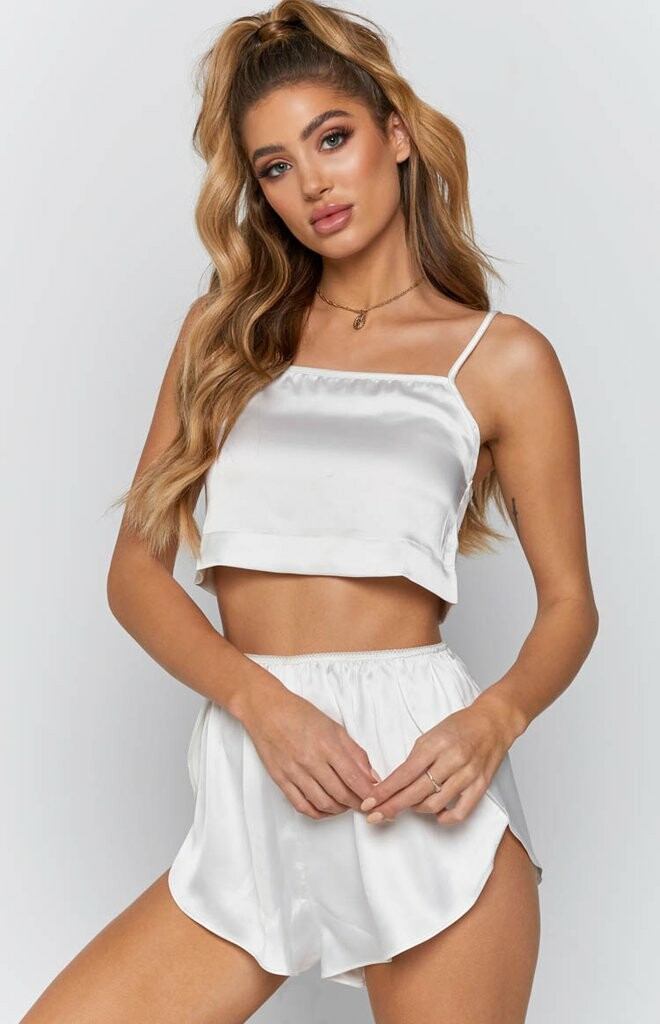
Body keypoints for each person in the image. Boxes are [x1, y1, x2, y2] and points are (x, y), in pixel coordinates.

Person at [20, 2, 599, 1022]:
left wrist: (495, 718)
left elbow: (569, 606)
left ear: (396, 134)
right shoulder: (222, 338)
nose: (313, 184)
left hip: (422, 795)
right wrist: (259, 702)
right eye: (277, 166)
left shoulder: (503, 358)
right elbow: (134, 576)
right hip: (255, 778)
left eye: (332, 138)